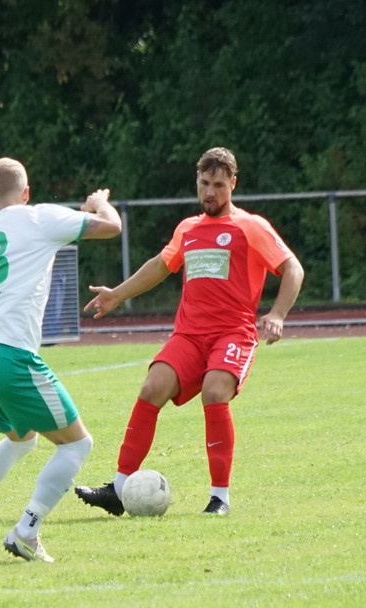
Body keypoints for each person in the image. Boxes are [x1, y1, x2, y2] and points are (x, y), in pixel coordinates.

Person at [76, 146, 305, 516]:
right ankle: (118, 489)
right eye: (204, 183)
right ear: (197, 182)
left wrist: (277, 314)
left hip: (233, 334)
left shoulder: (251, 226)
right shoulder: (188, 228)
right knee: (151, 388)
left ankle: (220, 497)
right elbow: (160, 265)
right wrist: (117, 294)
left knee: (214, 391)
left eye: (218, 185)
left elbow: (293, 268)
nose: (210, 192)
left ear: (233, 184)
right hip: (189, 336)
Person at [0, 157, 122, 562]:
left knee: (22, 439)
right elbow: (112, 227)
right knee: (77, 444)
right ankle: (26, 532)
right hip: (10, 355)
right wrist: (98, 202)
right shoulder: (39, 217)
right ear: (27, 193)